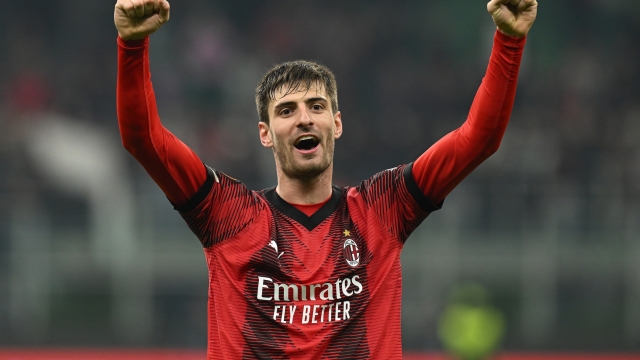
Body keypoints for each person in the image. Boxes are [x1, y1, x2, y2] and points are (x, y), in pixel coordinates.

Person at [114, 0, 538, 358]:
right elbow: (144, 140)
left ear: (336, 124)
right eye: (286, 110)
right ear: (264, 133)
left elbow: (478, 139)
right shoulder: (229, 214)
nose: (303, 118)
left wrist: (510, 39)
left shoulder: (381, 209)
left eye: (316, 106)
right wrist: (131, 46)